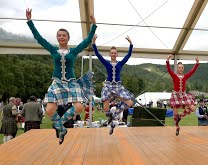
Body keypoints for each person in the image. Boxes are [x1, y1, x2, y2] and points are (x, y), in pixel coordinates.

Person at [26, 8, 97, 144]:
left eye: (64, 35)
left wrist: (94, 26)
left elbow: (87, 40)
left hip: (71, 82)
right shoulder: (53, 50)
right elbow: (39, 38)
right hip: (57, 82)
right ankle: (62, 129)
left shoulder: (74, 51)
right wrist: (30, 21)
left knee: (79, 107)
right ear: (57, 37)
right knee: (50, 109)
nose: (61, 37)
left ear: (68, 38)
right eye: (59, 35)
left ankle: (59, 126)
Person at [92, 34, 134, 135]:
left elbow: (128, 55)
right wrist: (93, 43)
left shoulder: (120, 63)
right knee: (106, 107)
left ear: (117, 54)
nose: (113, 54)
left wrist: (131, 44)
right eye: (112, 53)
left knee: (130, 103)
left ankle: (115, 114)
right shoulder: (106, 63)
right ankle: (111, 122)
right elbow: (98, 55)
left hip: (118, 86)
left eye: (115, 53)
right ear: (110, 54)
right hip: (108, 85)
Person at [166, 54, 199, 136]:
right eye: (179, 67)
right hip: (175, 95)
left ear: (183, 69)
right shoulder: (174, 76)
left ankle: (181, 116)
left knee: (193, 108)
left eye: (182, 68)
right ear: (177, 68)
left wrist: (197, 64)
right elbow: (169, 70)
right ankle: (177, 127)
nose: (181, 69)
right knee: (175, 113)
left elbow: (192, 71)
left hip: (183, 95)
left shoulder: (185, 76)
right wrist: (167, 61)